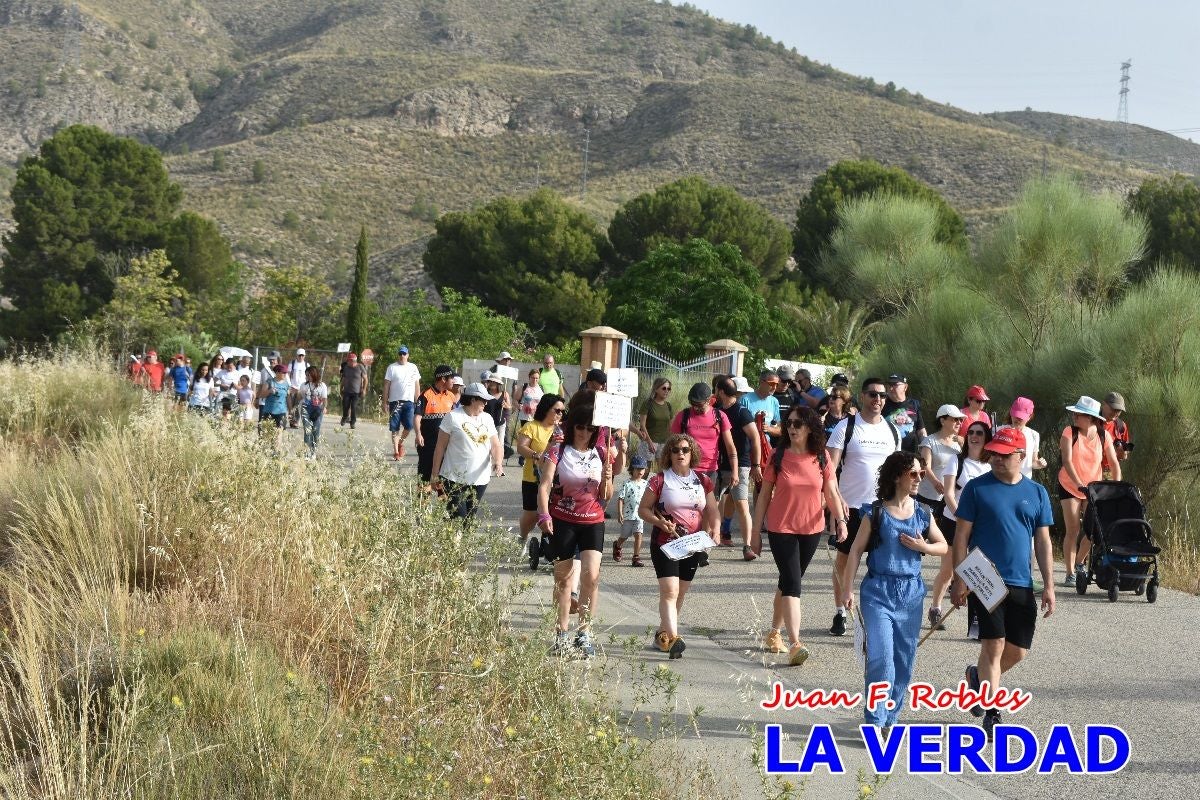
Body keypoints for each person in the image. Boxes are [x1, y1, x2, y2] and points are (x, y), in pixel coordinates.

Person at [951, 426, 1056, 741]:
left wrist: (1049, 585)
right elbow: (961, 536)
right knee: (993, 645)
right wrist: (959, 578)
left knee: (1018, 651)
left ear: (1021, 456)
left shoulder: (1037, 493)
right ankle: (993, 712)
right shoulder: (976, 488)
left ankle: (977, 678)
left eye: (1004, 454)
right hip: (984, 579)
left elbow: (1043, 542)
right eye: (994, 453)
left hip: (1021, 581)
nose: (996, 459)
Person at [842, 451, 948, 730]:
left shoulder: (923, 512)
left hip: (911, 594)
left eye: (921, 473)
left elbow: (943, 546)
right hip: (878, 592)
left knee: (904, 659)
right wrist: (846, 589)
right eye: (913, 473)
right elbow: (855, 552)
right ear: (897, 476)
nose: (919, 479)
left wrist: (924, 547)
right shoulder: (876, 512)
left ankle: (890, 718)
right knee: (881, 657)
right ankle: (874, 721)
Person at [752, 406, 848, 665]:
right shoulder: (778, 455)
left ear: (810, 427)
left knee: (787, 581)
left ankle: (774, 633)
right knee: (793, 583)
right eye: (789, 423)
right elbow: (764, 496)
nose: (792, 428)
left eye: (798, 423)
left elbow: (831, 492)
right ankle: (796, 643)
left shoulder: (821, 456)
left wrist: (840, 521)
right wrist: (754, 533)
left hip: (811, 529)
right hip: (781, 528)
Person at [537, 403, 621, 658]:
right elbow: (545, 485)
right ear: (572, 426)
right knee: (563, 580)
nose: (584, 432)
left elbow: (606, 495)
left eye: (590, 428)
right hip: (563, 519)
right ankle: (561, 633)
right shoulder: (559, 450)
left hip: (593, 521)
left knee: (591, 577)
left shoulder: (601, 453)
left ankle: (584, 633)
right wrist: (544, 514)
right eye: (580, 427)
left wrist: (607, 478)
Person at [826, 377, 901, 637]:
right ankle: (840, 611)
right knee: (845, 561)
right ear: (862, 396)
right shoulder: (846, 427)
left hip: (883, 509)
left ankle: (876, 615)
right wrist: (835, 505)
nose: (878, 399)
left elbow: (898, 472)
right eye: (872, 394)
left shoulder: (892, 430)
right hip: (852, 508)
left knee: (881, 565)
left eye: (882, 395)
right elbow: (829, 470)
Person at [637, 432, 719, 659]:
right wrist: (659, 522)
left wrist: (716, 528)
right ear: (669, 454)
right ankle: (674, 638)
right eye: (675, 450)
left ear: (692, 453)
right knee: (669, 591)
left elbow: (712, 509)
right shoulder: (659, 480)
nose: (680, 453)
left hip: (692, 544)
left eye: (685, 449)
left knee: (680, 593)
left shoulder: (703, 480)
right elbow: (643, 510)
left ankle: (662, 634)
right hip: (666, 544)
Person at [1059, 395, 1121, 586]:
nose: (1074, 416)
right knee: (1073, 530)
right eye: (1075, 413)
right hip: (1070, 485)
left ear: (1090, 418)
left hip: (1093, 488)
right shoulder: (1069, 432)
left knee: (1093, 530)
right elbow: (1067, 461)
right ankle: (1070, 573)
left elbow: (1114, 463)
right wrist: (1079, 484)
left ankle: (1079, 562)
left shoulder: (1104, 435)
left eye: (1079, 414)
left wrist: (1116, 487)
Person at [938, 420, 992, 638]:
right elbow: (948, 493)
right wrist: (962, 517)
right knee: (949, 570)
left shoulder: (991, 464)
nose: (974, 436)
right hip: (954, 521)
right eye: (970, 432)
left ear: (986, 438)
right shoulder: (957, 460)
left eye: (979, 433)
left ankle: (977, 627)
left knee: (977, 573)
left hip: (981, 525)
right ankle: (935, 607)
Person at [916, 404, 965, 631]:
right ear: (942, 419)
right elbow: (925, 466)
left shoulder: (959, 444)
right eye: (954, 419)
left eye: (960, 420)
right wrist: (936, 482)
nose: (958, 423)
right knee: (919, 546)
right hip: (927, 498)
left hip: (948, 502)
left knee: (949, 563)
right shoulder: (930, 442)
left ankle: (936, 608)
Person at [430, 382, 503, 520]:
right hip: (453, 478)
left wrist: (498, 462)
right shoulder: (452, 417)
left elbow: (495, 445)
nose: (486, 403)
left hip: (479, 479)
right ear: (473, 399)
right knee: (459, 518)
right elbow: (440, 447)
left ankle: (452, 529)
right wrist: (434, 475)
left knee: (469, 520)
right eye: (483, 400)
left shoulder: (487, 418)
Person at [714, 376, 762, 557]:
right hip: (718, 464)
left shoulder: (742, 412)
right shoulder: (717, 411)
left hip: (740, 464)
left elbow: (755, 438)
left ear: (720, 391)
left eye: (716, 389)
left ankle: (747, 546)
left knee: (741, 504)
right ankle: (712, 539)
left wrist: (756, 464)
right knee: (713, 503)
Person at [515, 393, 564, 552]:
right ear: (546, 409)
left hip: (556, 480)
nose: (560, 414)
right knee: (532, 515)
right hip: (533, 477)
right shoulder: (532, 426)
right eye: (557, 410)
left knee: (553, 513)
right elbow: (521, 447)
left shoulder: (562, 429)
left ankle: (548, 546)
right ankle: (523, 537)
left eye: (563, 411)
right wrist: (536, 455)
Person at [670, 383, 736, 485]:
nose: (696, 408)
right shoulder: (683, 416)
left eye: (699, 405)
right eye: (693, 404)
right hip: (686, 469)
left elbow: (730, 446)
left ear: (709, 400)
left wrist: (735, 471)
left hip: (710, 470)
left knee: (709, 496)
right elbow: (672, 445)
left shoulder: (720, 416)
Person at [414, 366, 456, 482]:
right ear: (443, 379)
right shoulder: (426, 395)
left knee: (443, 477)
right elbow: (417, 417)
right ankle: (423, 494)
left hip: (446, 444)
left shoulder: (451, 396)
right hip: (428, 444)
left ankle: (441, 494)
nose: (453, 381)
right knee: (425, 475)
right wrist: (418, 434)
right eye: (451, 378)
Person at [384, 346, 421, 460]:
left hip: (409, 401)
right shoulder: (392, 367)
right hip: (395, 401)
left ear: (408, 355)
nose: (402, 356)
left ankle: (400, 443)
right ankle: (396, 452)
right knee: (394, 427)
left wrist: (418, 401)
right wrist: (385, 401)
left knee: (409, 426)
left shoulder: (413, 367)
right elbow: (386, 385)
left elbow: (417, 385)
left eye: (404, 354)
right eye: (400, 354)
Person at [614, 456, 650, 567]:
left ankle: (636, 557)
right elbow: (621, 498)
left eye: (642, 469)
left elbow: (649, 499)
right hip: (628, 516)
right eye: (637, 469)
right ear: (632, 469)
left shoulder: (646, 484)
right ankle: (617, 545)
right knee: (624, 536)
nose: (640, 471)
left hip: (640, 516)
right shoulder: (627, 483)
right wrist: (620, 513)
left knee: (638, 535)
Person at [1001, 397, 1046, 479]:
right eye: (1016, 415)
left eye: (1021, 417)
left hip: (1024, 481)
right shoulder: (999, 431)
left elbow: (1033, 462)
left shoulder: (1034, 435)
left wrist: (1039, 464)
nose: (1017, 419)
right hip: (1001, 479)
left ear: (1029, 417)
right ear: (1011, 413)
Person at [635, 377, 674, 464]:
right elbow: (642, 425)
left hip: (664, 443)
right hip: (648, 442)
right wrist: (649, 442)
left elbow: (671, 426)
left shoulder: (668, 406)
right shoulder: (648, 403)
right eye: (664, 388)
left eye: (669, 389)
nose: (666, 391)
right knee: (644, 468)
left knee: (663, 469)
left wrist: (670, 442)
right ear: (656, 389)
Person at [883, 374, 926, 452]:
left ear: (905, 387)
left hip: (910, 453)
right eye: (889, 385)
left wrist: (925, 448)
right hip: (888, 453)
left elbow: (921, 430)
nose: (891, 388)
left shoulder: (914, 404)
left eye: (895, 385)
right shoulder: (882, 404)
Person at [741, 371, 782, 446]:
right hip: (747, 446)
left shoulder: (774, 401)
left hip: (765, 447)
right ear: (761, 382)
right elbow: (737, 426)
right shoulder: (745, 399)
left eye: (777, 384)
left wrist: (768, 429)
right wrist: (754, 425)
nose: (775, 387)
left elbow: (780, 430)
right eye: (772, 384)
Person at [259, 363, 291, 452]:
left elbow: (288, 397)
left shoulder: (286, 384)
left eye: (286, 373)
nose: (285, 374)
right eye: (283, 372)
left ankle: (276, 453)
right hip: (269, 411)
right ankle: (267, 452)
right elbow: (262, 395)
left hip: (281, 412)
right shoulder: (269, 382)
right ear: (277, 372)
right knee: (267, 434)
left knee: (278, 434)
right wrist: (269, 391)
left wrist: (290, 410)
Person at [515, 368, 544, 465]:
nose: (534, 380)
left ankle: (530, 456)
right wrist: (518, 406)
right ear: (529, 377)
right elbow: (515, 399)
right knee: (526, 436)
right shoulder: (524, 387)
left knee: (535, 436)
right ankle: (523, 456)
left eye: (537, 378)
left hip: (537, 416)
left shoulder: (541, 389)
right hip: (525, 416)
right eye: (533, 378)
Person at [299, 365, 329, 459]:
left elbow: (324, 399)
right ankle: (306, 452)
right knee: (307, 431)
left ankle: (313, 451)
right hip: (306, 409)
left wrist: (324, 407)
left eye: (309, 375)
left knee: (315, 431)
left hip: (318, 410)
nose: (307, 377)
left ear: (314, 374)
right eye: (306, 375)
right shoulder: (303, 385)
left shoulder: (322, 385)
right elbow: (302, 397)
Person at [1101, 391, 1132, 477]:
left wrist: (1123, 453)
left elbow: (1125, 451)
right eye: (1113, 408)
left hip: (1110, 471)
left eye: (1119, 410)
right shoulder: (1091, 421)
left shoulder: (1121, 425)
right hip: (1091, 468)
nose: (1116, 412)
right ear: (1103, 404)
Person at [339, 353, 367, 429]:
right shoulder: (346, 368)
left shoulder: (360, 367)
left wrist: (364, 389)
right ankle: (345, 417)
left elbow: (366, 379)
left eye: (349, 361)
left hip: (356, 392)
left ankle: (353, 422)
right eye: (347, 361)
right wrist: (341, 388)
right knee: (345, 406)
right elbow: (343, 379)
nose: (347, 362)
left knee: (353, 407)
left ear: (353, 361)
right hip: (347, 391)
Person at [286, 348, 309, 428]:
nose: (301, 357)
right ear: (297, 355)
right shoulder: (292, 364)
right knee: (291, 405)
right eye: (299, 355)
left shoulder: (307, 365)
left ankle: (296, 421)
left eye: (302, 355)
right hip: (292, 387)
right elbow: (288, 375)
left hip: (302, 388)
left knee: (298, 405)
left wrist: (306, 387)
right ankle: (292, 421)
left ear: (304, 356)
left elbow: (308, 377)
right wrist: (289, 386)